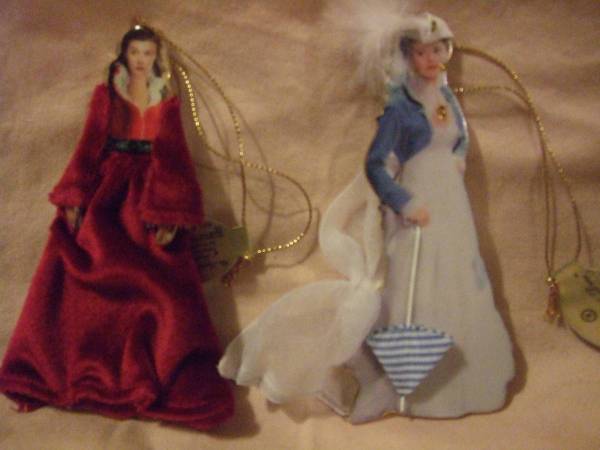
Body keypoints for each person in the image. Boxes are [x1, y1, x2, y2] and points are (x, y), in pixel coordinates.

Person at [218, 11, 513, 423]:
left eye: (437, 51)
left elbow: (458, 136)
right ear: (407, 57)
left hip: (451, 203)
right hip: (417, 204)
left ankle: (468, 376)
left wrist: (458, 159)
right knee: (417, 283)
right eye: (421, 53)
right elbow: (377, 165)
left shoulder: (445, 100)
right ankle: (409, 382)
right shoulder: (399, 110)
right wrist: (404, 202)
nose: (431, 60)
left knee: (459, 277)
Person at [0, 25, 233, 430]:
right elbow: (88, 145)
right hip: (103, 197)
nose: (141, 60)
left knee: (164, 289)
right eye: (135, 53)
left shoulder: (165, 102)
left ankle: (159, 366)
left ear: (156, 59)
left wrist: (170, 207)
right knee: (76, 282)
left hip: (149, 201)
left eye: (148, 54)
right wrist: (75, 194)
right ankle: (66, 368)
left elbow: (173, 152)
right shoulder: (108, 96)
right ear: (124, 57)